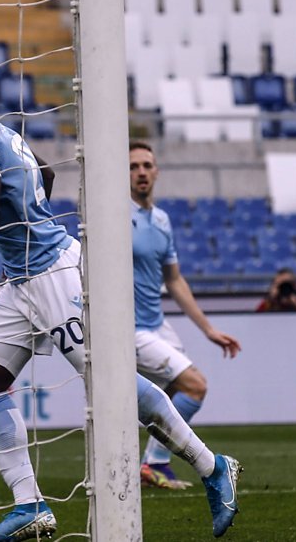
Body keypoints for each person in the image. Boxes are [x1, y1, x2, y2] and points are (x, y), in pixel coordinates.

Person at [0, 54, 241, 541]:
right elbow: (44, 176)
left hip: (54, 274)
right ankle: (29, 505)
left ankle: (212, 465)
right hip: (21, 281)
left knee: (113, 385)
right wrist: (29, 216)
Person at [128, 142, 242, 490]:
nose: (142, 171)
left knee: (184, 393)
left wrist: (208, 329)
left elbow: (174, 279)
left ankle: (152, 464)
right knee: (195, 384)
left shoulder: (161, 220)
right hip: (128, 328)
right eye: (133, 167)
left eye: (147, 165)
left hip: (156, 323)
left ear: (157, 171)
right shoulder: (113, 217)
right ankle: (154, 462)